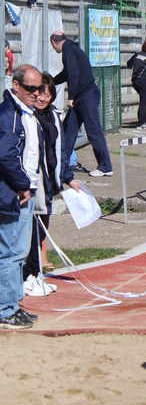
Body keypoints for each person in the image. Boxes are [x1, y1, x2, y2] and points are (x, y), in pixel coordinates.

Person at [23, 73, 80, 298]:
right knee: (31, 231)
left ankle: (36, 273)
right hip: (32, 183)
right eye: (40, 93)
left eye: (48, 94)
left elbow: (61, 151)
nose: (43, 98)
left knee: (42, 229)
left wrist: (68, 178)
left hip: (48, 184)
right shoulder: (28, 116)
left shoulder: (54, 117)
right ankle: (27, 275)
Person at [0, 64, 43, 329]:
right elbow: (6, 154)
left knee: (19, 253)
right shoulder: (9, 114)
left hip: (26, 190)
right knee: (11, 252)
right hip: (15, 193)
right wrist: (22, 184)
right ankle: (5, 310)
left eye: (39, 88)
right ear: (16, 86)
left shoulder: (28, 112)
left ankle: (12, 304)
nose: (36, 93)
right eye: (30, 88)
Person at [50, 31, 114, 177]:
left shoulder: (67, 50)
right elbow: (68, 73)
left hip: (86, 95)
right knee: (68, 130)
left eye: (53, 46)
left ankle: (105, 166)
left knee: (93, 130)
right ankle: (61, 163)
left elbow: (73, 75)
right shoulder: (72, 48)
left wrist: (70, 96)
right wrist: (51, 81)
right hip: (82, 96)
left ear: (54, 42)